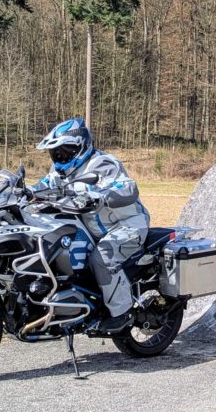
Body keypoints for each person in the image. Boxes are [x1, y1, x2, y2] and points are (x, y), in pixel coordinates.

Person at [33, 118, 149, 334]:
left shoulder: (103, 164)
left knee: (102, 258)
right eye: (56, 153)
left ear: (81, 147)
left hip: (127, 226)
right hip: (92, 229)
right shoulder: (60, 171)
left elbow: (128, 188)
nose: (60, 158)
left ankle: (121, 313)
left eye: (65, 151)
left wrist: (102, 196)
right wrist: (25, 192)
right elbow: (44, 185)